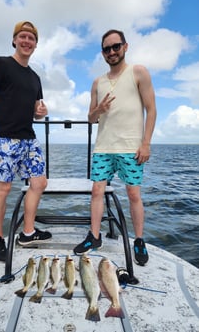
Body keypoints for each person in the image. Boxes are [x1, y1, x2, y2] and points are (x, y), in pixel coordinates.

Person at [73, 29, 156, 266]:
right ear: (102, 53)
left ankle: (138, 239)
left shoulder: (138, 72)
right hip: (103, 147)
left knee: (133, 194)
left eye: (116, 46)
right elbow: (91, 118)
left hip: (131, 147)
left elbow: (151, 109)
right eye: (107, 49)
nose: (111, 52)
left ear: (125, 47)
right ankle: (95, 236)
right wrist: (98, 110)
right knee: (97, 191)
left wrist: (146, 143)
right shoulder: (97, 82)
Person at [0, 21, 52, 262]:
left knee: (39, 183)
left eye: (31, 38)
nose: (27, 41)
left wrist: (39, 113)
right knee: (3, 188)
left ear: (36, 44)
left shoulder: (35, 78)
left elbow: (34, 111)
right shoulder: (0, 64)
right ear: (14, 40)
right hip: (2, 138)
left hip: (28, 139)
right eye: (23, 36)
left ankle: (28, 233)